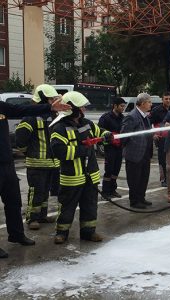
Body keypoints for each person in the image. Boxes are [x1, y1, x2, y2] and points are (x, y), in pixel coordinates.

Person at [0, 96, 70, 259]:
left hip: (6, 163)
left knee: (14, 201)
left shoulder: (1, 107)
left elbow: (22, 110)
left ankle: (16, 234)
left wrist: (49, 108)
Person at [50, 91, 112, 244]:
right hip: (71, 177)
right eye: (82, 107)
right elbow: (60, 151)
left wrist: (107, 135)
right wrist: (83, 150)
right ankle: (62, 233)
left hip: (90, 175)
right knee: (67, 207)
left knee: (90, 205)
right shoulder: (59, 128)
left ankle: (88, 232)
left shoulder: (87, 124)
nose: (84, 110)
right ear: (72, 108)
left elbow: (99, 133)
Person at [15, 84, 61, 230]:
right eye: (52, 99)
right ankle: (32, 218)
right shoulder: (31, 116)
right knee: (36, 191)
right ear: (43, 99)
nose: (54, 101)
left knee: (45, 192)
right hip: (36, 163)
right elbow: (20, 138)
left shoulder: (53, 115)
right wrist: (27, 151)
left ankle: (42, 215)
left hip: (51, 163)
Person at [121, 93, 153, 209]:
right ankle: (134, 201)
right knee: (134, 178)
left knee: (144, 177)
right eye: (149, 102)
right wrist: (129, 148)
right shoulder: (132, 116)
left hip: (145, 153)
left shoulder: (145, 116)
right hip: (134, 154)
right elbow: (124, 135)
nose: (151, 104)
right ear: (143, 103)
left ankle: (141, 198)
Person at [98, 97, 126, 199]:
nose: (123, 108)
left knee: (116, 170)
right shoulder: (106, 118)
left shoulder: (122, 118)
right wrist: (110, 137)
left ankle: (113, 189)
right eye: (121, 106)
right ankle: (105, 192)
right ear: (115, 106)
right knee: (109, 169)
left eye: (124, 106)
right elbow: (99, 130)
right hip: (110, 148)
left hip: (119, 147)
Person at [148, 92, 170, 187]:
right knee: (162, 160)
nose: (168, 101)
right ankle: (163, 179)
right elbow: (148, 123)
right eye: (166, 99)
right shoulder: (156, 110)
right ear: (162, 100)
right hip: (161, 139)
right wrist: (153, 134)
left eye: (169, 99)